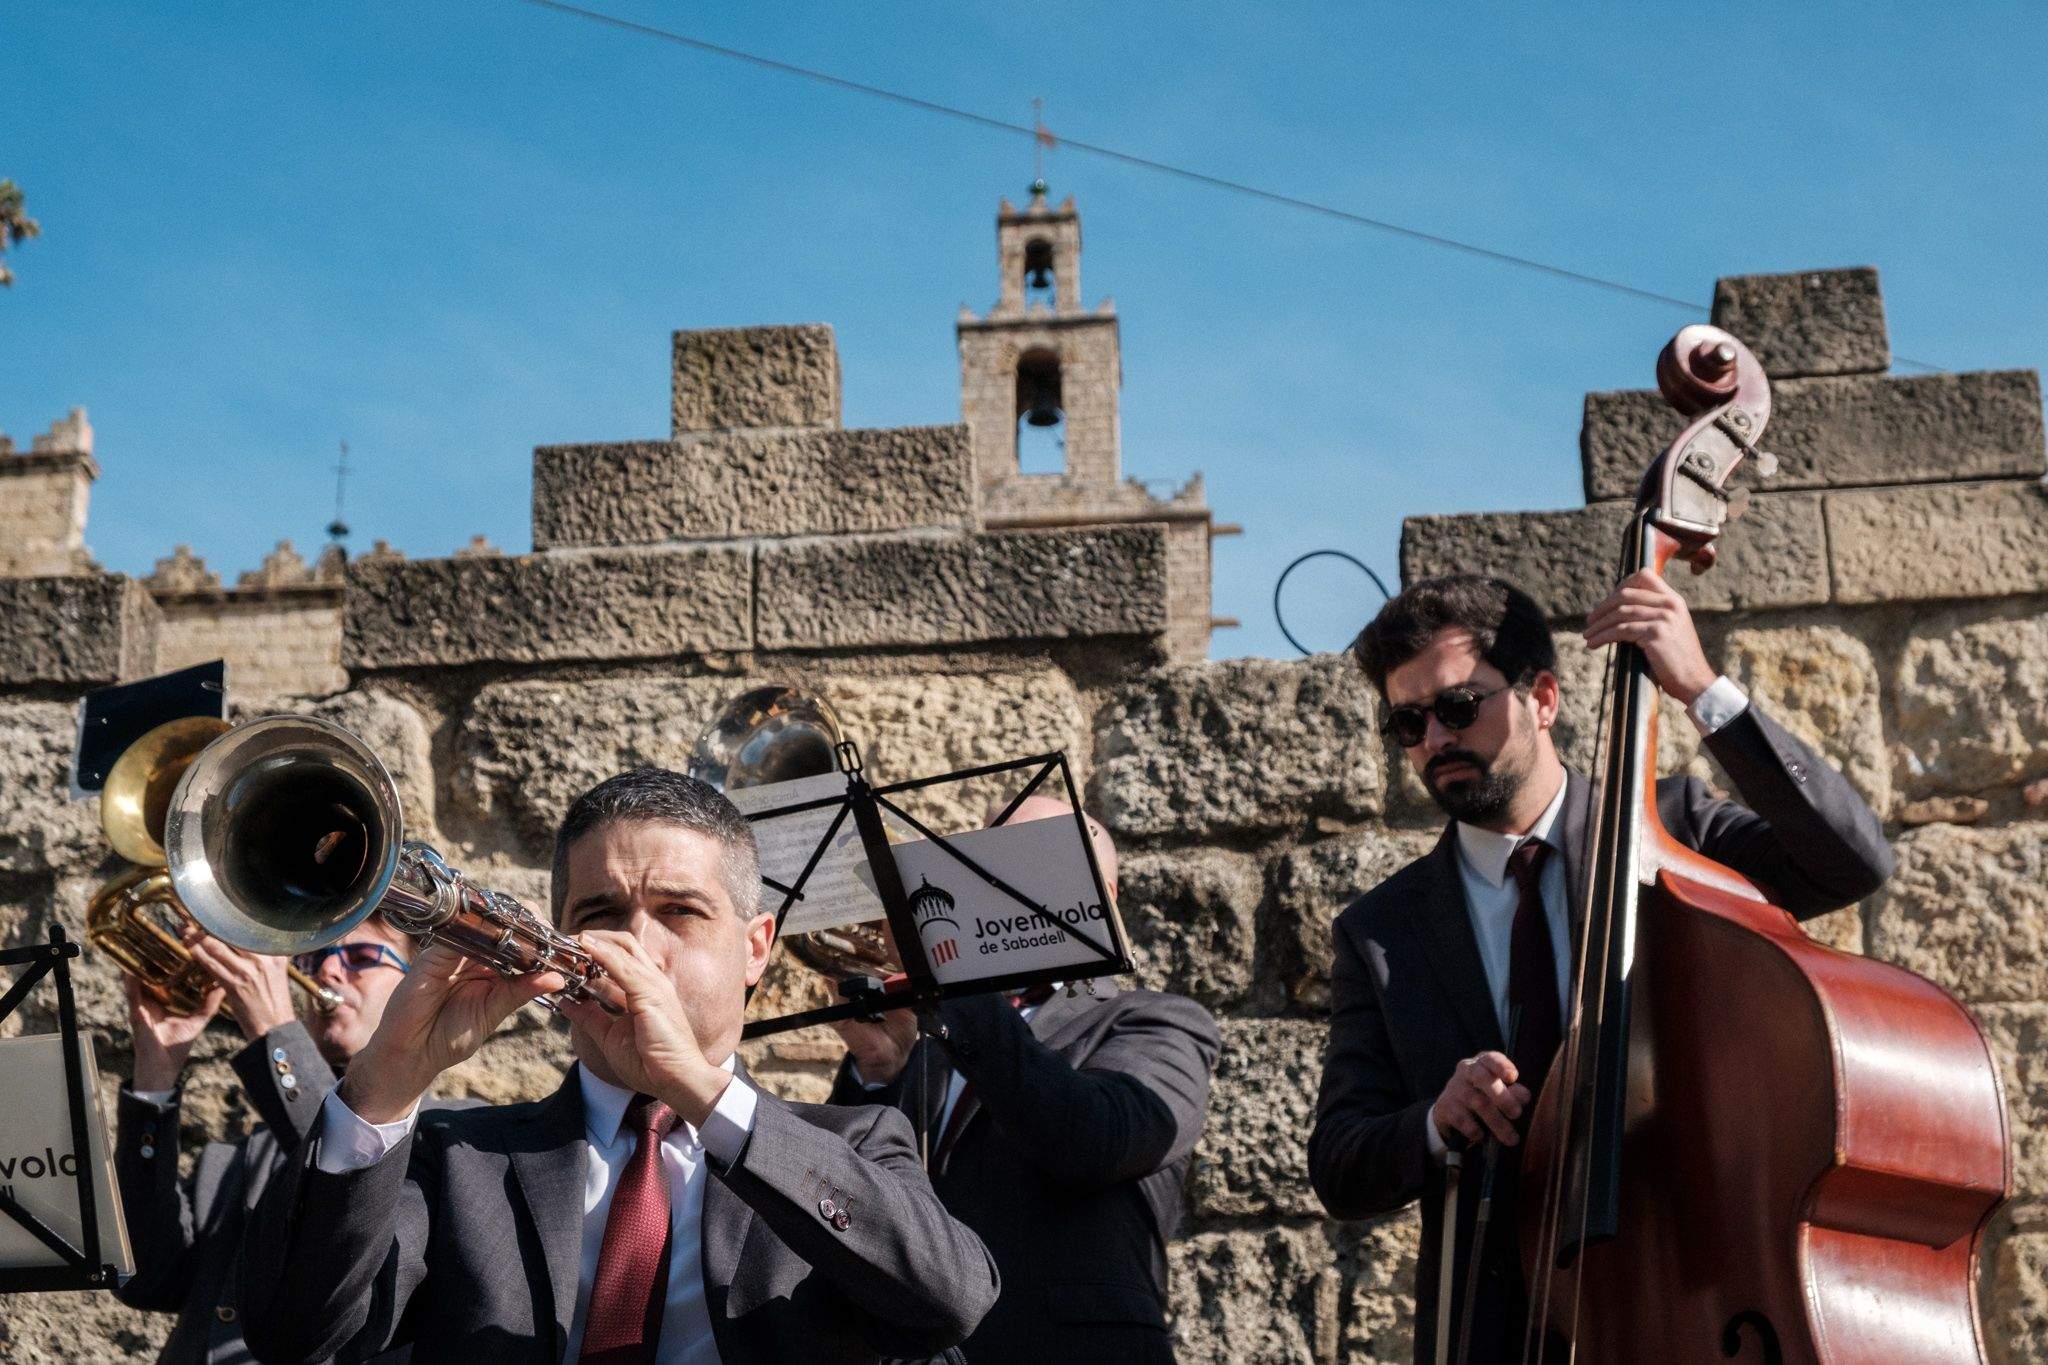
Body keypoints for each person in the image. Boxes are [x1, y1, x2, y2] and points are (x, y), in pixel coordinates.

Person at [1306, 572, 1893, 1364]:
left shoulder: (1672, 830)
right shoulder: (1380, 932)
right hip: (1501, 1333)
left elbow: (1849, 860)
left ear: (1542, 697)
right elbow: (1341, 1163)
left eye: (1456, 707)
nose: (1435, 740)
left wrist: (1702, 688)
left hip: (1696, 1300)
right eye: (1407, 723)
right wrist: (1435, 1120)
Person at [238, 767, 999, 1365]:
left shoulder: (858, 1136)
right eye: (599, 916)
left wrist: (700, 1090)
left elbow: (948, 1298)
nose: (634, 947)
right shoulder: (457, 1158)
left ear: (757, 946)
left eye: (680, 912)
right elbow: (299, 1335)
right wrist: (382, 1083)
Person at [828, 796, 1221, 1364]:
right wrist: (880, 1070)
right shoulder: (943, 1038)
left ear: (1100, 900)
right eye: (984, 868)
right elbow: (855, 1204)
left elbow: (1093, 1138)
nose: (992, 888)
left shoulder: (1158, 1022)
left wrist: (953, 978)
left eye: (1027, 865)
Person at [114, 914, 434, 1365]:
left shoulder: (456, 1138)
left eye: (361, 957)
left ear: (418, 987)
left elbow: (364, 1194)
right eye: (314, 958)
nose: (325, 971)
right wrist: (155, 1071)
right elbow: (146, 1279)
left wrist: (275, 1035)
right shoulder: (234, 1158)